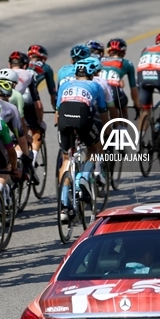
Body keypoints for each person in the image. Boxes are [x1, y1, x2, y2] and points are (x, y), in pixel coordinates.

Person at [55, 59, 110, 223]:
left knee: (66, 158)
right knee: (94, 149)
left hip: (64, 120)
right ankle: (84, 177)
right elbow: (103, 111)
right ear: (91, 75)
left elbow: (58, 110)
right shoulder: (96, 86)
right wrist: (107, 130)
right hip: (83, 118)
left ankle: (64, 205)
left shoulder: (65, 85)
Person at [101, 38, 139, 120]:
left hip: (99, 90)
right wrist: (136, 104)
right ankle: (121, 129)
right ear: (124, 52)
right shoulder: (127, 63)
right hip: (114, 92)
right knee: (123, 109)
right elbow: (133, 89)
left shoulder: (100, 60)